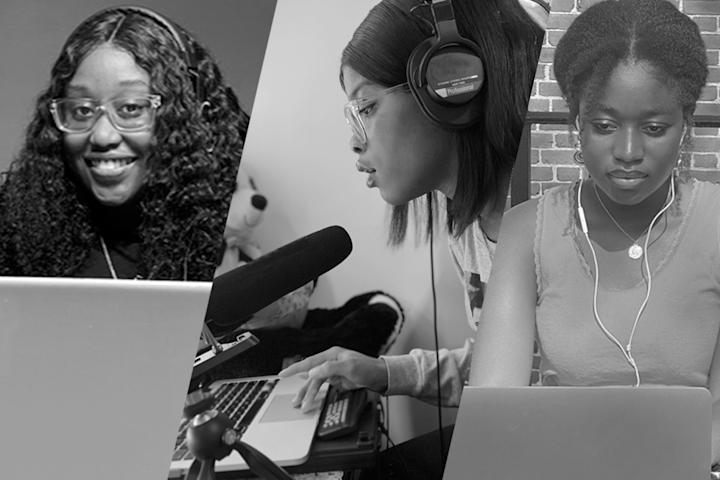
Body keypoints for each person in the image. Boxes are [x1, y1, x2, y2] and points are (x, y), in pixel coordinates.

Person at [467, 0, 720, 467]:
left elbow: (717, 426)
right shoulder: (527, 231)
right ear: (574, 125)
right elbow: (493, 416)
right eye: (604, 126)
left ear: (685, 128)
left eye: (654, 127)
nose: (627, 151)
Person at [280, 0, 545, 410]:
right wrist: (384, 372)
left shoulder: (570, 214)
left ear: (454, 82)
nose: (355, 141)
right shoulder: (469, 233)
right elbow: (512, 368)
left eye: (366, 107)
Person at [0, 6, 247, 281]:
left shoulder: (252, 234)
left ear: (195, 117)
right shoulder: (14, 235)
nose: (102, 136)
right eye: (82, 110)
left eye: (131, 108)